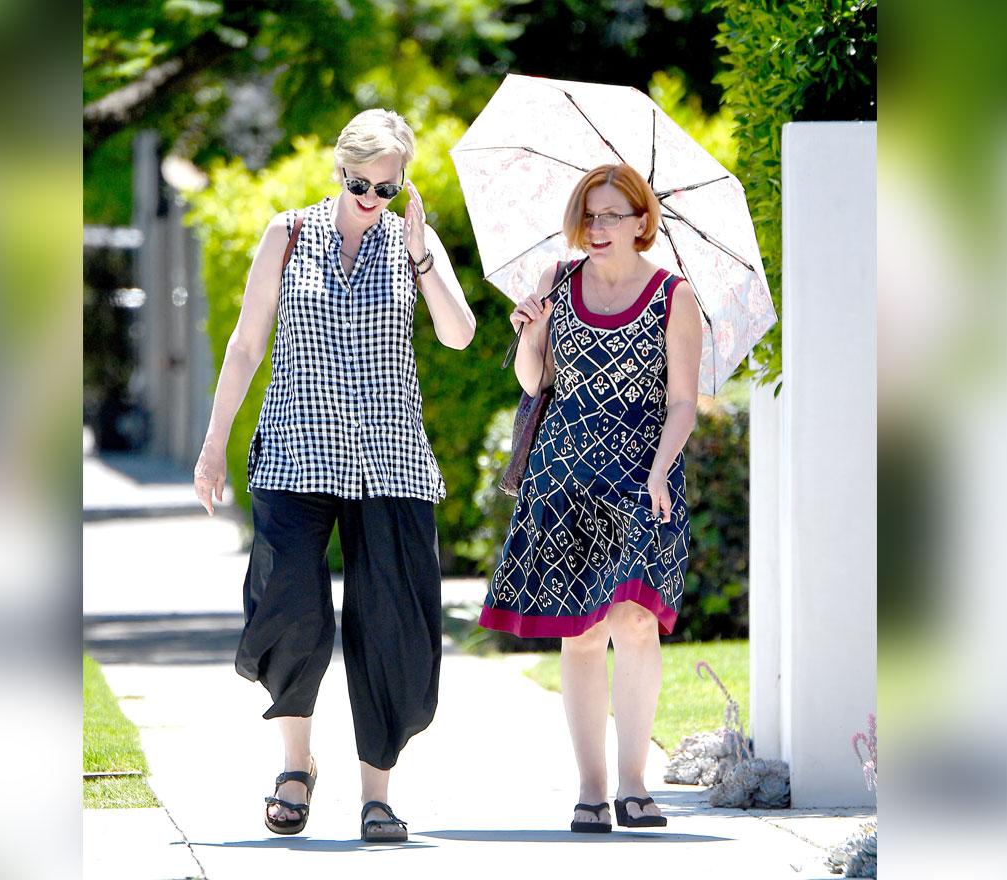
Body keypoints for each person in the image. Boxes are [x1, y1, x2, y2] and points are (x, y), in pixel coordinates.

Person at [192, 108, 475, 842]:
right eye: (359, 184)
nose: (371, 199)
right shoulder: (287, 236)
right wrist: (215, 441)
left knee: (390, 624)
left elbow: (458, 333)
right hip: (296, 451)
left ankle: (376, 794)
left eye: (386, 187)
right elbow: (247, 343)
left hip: (392, 462)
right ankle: (296, 765)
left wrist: (419, 256)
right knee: (286, 604)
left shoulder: (414, 241)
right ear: (338, 171)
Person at [481, 163, 702, 832]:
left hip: (643, 475)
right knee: (580, 634)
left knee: (634, 623)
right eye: (590, 214)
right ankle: (591, 788)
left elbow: (685, 400)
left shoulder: (673, 295)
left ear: (643, 221)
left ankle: (635, 781)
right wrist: (530, 330)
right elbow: (532, 381)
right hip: (566, 474)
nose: (598, 227)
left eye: (612, 215)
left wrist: (662, 469)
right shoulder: (557, 281)